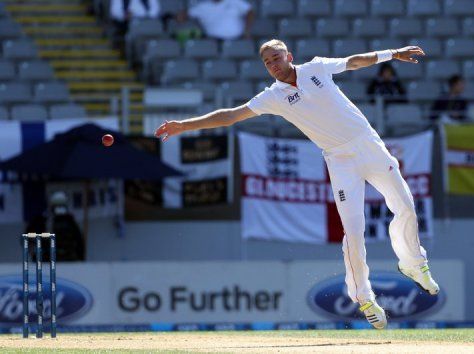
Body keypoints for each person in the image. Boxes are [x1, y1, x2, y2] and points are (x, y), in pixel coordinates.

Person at [155, 39, 439, 330]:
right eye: (268, 63)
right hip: (339, 161)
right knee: (353, 230)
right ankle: (364, 297)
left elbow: (354, 61)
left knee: (405, 204)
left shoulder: (316, 67)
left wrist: (392, 53)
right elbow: (231, 116)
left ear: (289, 56)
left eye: (277, 58)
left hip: (369, 146)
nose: (274, 65)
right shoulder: (273, 96)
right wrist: (185, 125)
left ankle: (414, 264)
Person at [25, 191, 85, 262]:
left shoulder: (70, 221)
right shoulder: (43, 221)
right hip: (47, 260)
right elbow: (28, 237)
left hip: (67, 260)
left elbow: (79, 243)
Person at [178, 0, 254, 40]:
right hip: (212, 42)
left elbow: (250, 12)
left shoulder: (235, 2)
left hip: (237, 40)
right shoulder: (203, 6)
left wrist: (247, 30)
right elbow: (184, 15)